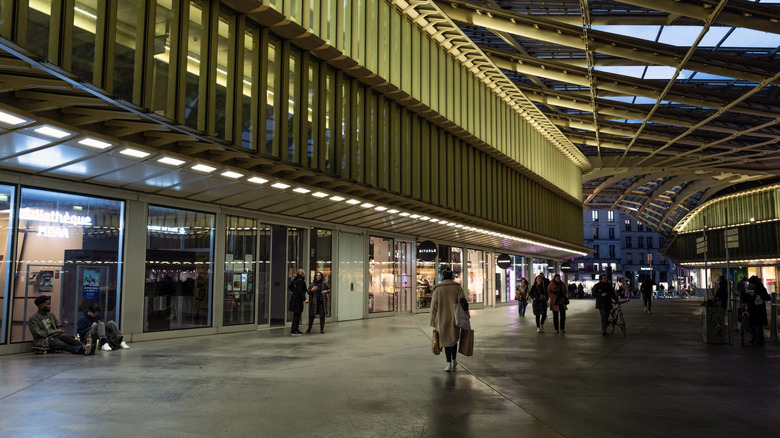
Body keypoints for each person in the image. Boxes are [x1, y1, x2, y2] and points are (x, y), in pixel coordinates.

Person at [430, 269, 466, 371]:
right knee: (453, 340)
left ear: (443, 277)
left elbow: (434, 306)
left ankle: (448, 363)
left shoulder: (438, 289)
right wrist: (466, 316)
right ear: (452, 277)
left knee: (445, 341)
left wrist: (433, 320)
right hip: (455, 318)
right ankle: (454, 360)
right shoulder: (457, 288)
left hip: (442, 318)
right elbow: (463, 302)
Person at [741, 276, 772, 345]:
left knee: (756, 325)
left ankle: (758, 339)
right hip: (758, 310)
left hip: (756, 310)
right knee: (757, 325)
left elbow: (767, 297)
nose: (750, 285)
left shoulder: (758, 289)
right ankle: (757, 339)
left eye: (751, 283)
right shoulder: (759, 288)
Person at [288, 269, 307, 336]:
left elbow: (290, 287)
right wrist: (304, 299)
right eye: (304, 273)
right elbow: (300, 291)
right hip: (298, 300)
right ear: (302, 274)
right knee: (297, 315)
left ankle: (295, 329)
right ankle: (294, 330)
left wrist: (294, 291)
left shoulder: (295, 280)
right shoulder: (300, 281)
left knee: (296, 315)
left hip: (294, 299)